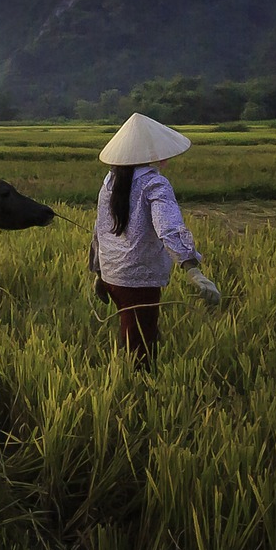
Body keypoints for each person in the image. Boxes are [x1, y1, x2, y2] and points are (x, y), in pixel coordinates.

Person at [88, 112, 221, 367]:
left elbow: (100, 231)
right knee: (139, 350)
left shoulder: (110, 180)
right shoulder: (154, 184)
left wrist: (98, 272)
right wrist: (193, 270)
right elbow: (169, 228)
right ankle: (135, 388)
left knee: (137, 328)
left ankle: (138, 366)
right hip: (139, 280)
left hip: (112, 277)